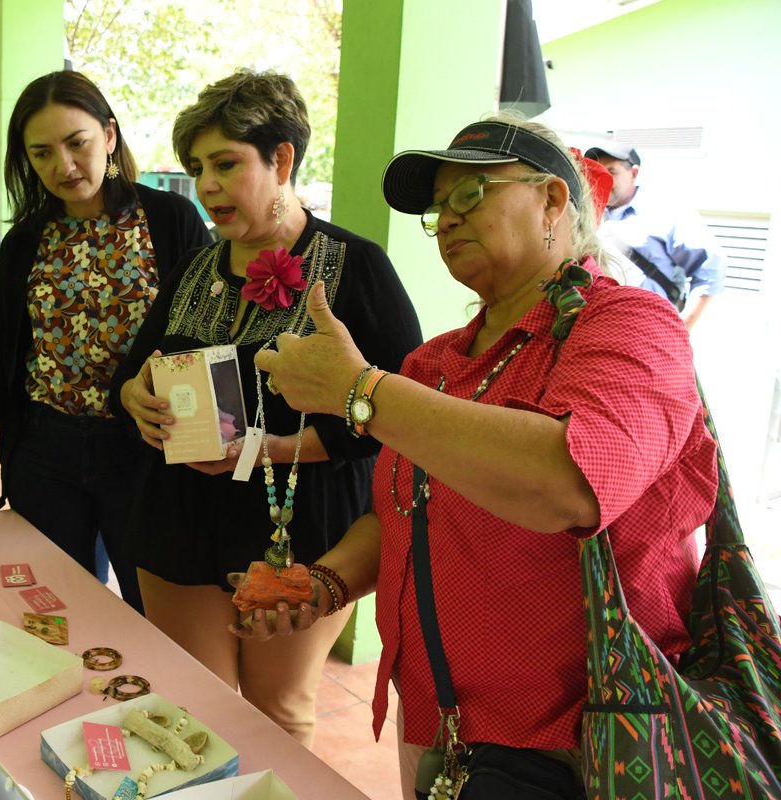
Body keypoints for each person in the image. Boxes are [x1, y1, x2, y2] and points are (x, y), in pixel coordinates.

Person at [249, 115, 719, 794]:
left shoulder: (630, 325)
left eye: (470, 194)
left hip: (585, 745)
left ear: (553, 200)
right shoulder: (432, 362)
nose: (446, 221)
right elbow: (399, 517)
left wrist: (360, 389)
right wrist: (323, 582)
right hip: (443, 727)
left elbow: (568, 482)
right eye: (438, 208)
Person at [111, 70, 422, 746]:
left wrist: (273, 450)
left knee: (277, 716)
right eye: (197, 168)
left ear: (280, 159)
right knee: (194, 712)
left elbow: (407, 415)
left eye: (226, 164)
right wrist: (135, 396)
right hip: (178, 523)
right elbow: (133, 373)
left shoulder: (356, 267)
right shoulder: (195, 267)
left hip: (300, 528)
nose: (208, 186)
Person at [0, 71, 210, 615]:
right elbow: (4, 360)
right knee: (59, 615)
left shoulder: (169, 220)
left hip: (143, 454)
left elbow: (206, 335)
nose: (64, 167)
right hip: (45, 456)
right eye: (42, 154)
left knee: (152, 615)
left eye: (78, 144)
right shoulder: (27, 240)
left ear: (110, 136)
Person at [584, 142, 725, 330]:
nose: (603, 179)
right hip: (600, 329)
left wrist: (682, 327)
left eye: (612, 172)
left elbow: (710, 268)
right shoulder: (587, 215)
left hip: (651, 330)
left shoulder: (665, 212)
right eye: (597, 172)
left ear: (633, 173)